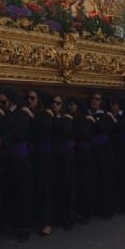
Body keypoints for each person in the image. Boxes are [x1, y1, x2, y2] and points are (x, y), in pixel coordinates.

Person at [0, 87, 32, 242]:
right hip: (6, 159)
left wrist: (4, 117)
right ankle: (7, 222)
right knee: (7, 192)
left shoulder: (22, 114)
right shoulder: (4, 113)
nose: (1, 105)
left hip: (20, 159)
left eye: (4, 102)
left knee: (22, 193)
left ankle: (23, 226)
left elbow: (17, 133)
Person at [26, 90, 54, 237]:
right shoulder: (25, 113)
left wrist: (32, 116)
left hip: (44, 156)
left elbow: (45, 130)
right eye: (28, 98)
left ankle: (47, 222)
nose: (29, 101)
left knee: (44, 188)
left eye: (32, 98)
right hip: (31, 155)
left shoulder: (45, 114)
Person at [50, 94, 76, 230]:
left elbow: (61, 129)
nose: (55, 105)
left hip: (67, 157)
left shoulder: (67, 119)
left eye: (58, 103)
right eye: (53, 102)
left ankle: (68, 217)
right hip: (56, 155)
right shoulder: (53, 117)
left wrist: (53, 119)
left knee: (67, 186)